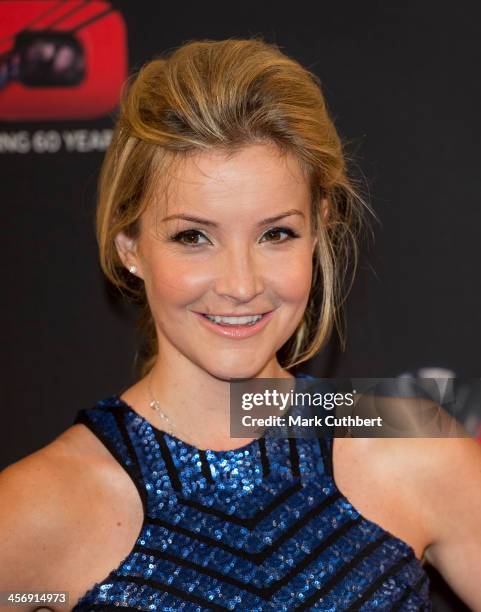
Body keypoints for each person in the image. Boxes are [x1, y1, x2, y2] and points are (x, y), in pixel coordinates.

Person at [1, 38, 480, 612]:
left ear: (320, 227)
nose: (241, 284)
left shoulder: (405, 432)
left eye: (276, 233)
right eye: (193, 237)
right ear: (130, 245)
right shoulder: (36, 509)